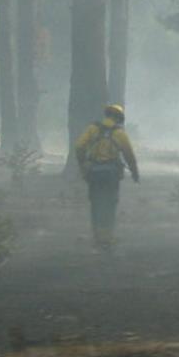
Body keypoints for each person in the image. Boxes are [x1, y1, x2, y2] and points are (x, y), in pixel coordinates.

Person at [73, 104, 140, 249]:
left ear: (107, 115)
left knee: (95, 203)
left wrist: (82, 164)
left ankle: (96, 236)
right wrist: (134, 172)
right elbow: (129, 154)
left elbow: (79, 146)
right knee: (110, 202)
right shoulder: (120, 134)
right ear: (119, 118)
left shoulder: (92, 129)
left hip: (94, 172)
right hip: (111, 173)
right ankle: (107, 237)